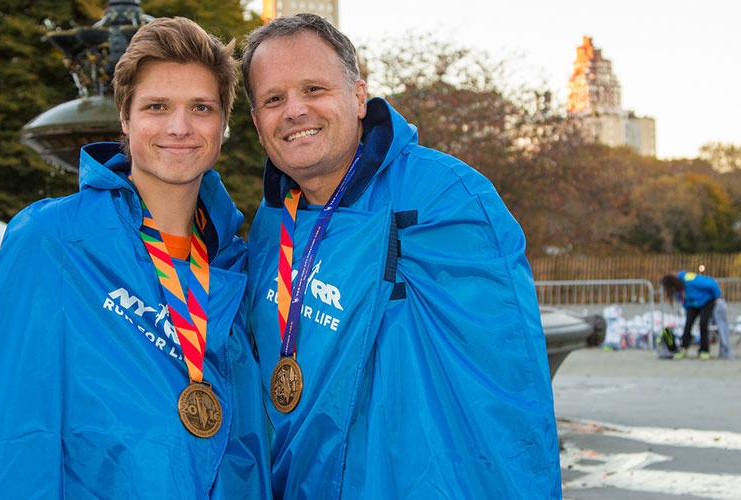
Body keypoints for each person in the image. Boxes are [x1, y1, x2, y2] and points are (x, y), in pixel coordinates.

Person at [0, 17, 270, 498]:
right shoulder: (51, 242)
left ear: (223, 124)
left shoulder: (237, 263)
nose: (180, 127)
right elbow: (1, 442)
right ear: (125, 119)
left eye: (201, 107)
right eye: (157, 106)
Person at [240, 13, 559, 498]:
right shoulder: (269, 225)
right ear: (257, 121)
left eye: (313, 89)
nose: (295, 111)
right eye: (273, 99)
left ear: (358, 95)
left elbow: (504, 395)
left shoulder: (446, 197)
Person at [661, 271, 722, 360]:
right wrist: (686, 307)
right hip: (692, 304)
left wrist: (717, 296)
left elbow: (711, 283)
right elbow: (682, 300)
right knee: (688, 324)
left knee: (703, 323)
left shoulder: (689, 279)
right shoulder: (679, 290)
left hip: (707, 301)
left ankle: (704, 350)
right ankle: (684, 348)